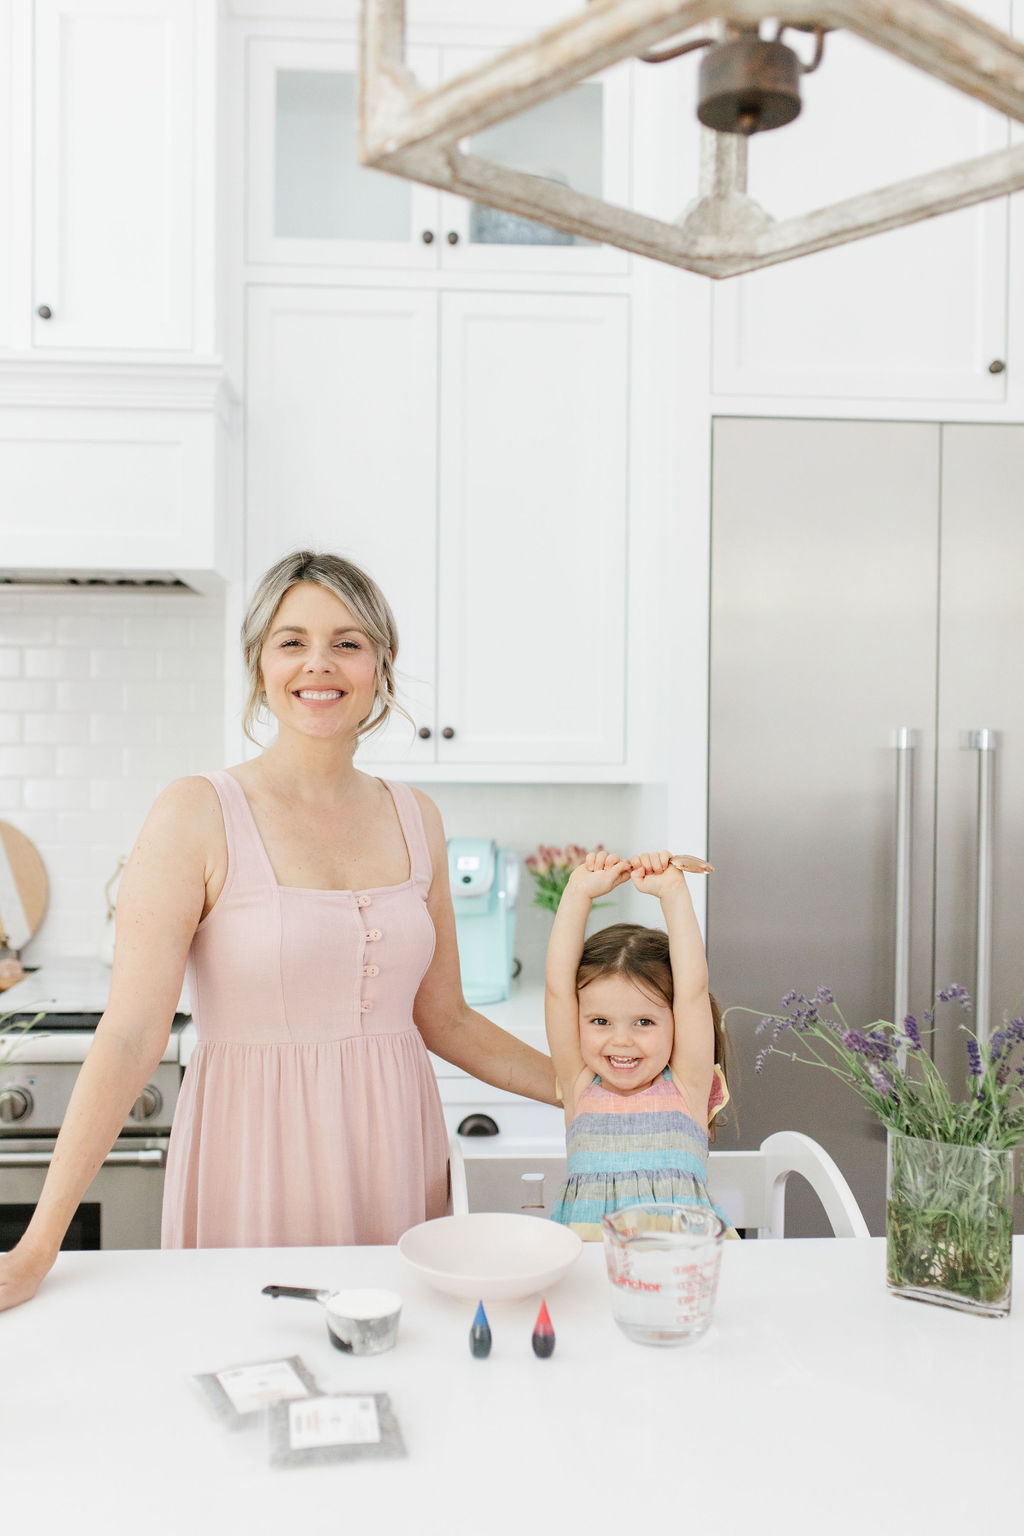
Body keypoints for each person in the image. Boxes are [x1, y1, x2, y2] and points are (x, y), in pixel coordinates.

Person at [0, 550, 557, 1310]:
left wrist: (595, 1091)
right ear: (260, 664)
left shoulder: (416, 816)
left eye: (348, 642)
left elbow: (446, 1017)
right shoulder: (195, 813)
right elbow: (131, 1036)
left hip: (393, 1151)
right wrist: (38, 1245)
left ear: (381, 666)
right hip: (252, 1154)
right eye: (291, 641)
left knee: (400, 1369)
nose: (318, 664)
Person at [545, 848, 730, 1240]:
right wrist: (578, 891)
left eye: (644, 1021)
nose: (621, 1041)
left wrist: (674, 892)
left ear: (675, 1021)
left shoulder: (686, 1087)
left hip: (681, 1276)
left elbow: (693, 990)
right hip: (590, 1277)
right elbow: (558, 990)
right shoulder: (579, 1085)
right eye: (600, 1021)